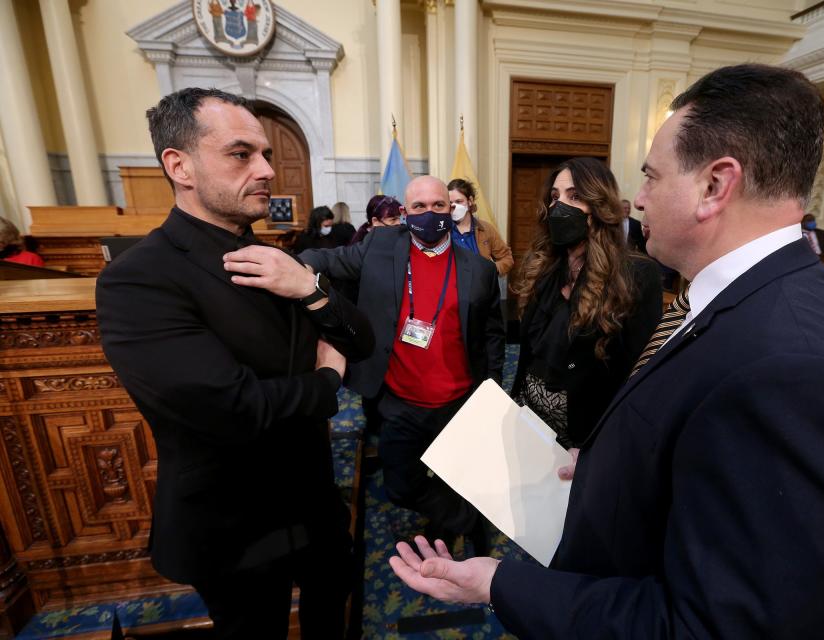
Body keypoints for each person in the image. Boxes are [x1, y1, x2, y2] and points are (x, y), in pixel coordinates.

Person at [389, 64, 824, 639]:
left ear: (716, 186)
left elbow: (711, 626)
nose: (636, 200)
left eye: (652, 177)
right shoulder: (730, 302)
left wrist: (500, 584)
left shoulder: (800, 370)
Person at [96, 87, 374, 640]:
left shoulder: (279, 257)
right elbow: (232, 407)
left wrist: (312, 287)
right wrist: (325, 382)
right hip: (233, 527)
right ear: (180, 166)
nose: (267, 170)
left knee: (337, 618)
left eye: (267, 154)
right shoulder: (139, 278)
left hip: (315, 501)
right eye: (241, 154)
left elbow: (360, 339)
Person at [229, 174, 505, 553]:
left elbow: (492, 338)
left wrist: (489, 393)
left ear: (453, 208)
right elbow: (327, 259)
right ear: (405, 213)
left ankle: (448, 528)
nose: (430, 214)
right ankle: (465, 519)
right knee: (400, 485)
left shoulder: (480, 270)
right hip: (398, 401)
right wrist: (283, 266)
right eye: (419, 207)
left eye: (439, 206)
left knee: (452, 477)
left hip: (457, 403)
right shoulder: (379, 245)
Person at [510, 158, 661, 449]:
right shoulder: (545, 267)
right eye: (554, 197)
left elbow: (637, 372)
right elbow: (527, 352)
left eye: (574, 196)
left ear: (599, 205)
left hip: (585, 432)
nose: (559, 206)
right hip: (528, 416)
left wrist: (603, 444)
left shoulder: (637, 274)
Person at [447, 178, 514, 275]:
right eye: (450, 203)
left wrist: (490, 270)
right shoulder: (442, 231)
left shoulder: (486, 229)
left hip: (481, 288)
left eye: (459, 201)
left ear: (470, 201)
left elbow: (507, 259)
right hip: (453, 288)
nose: (454, 206)